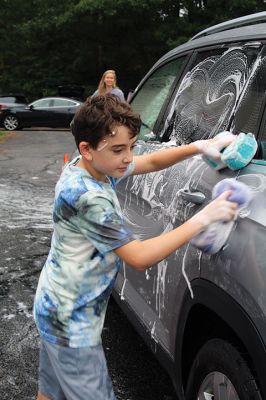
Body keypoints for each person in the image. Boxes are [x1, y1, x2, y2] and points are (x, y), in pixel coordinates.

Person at [33, 94, 237, 400]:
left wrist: (199, 146)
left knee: (50, 393)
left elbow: (151, 160)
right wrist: (203, 218)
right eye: (119, 150)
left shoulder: (93, 165)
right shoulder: (90, 197)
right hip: (72, 324)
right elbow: (139, 257)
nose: (128, 157)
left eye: (131, 146)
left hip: (53, 306)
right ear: (86, 149)